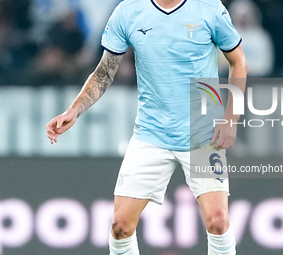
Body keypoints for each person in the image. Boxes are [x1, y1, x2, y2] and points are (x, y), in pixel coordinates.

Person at [46, 0, 247, 254]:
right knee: (120, 226)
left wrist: (231, 118)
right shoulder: (128, 12)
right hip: (151, 133)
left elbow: (238, 61)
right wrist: (74, 109)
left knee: (218, 221)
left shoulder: (208, 8)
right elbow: (104, 72)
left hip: (202, 133)